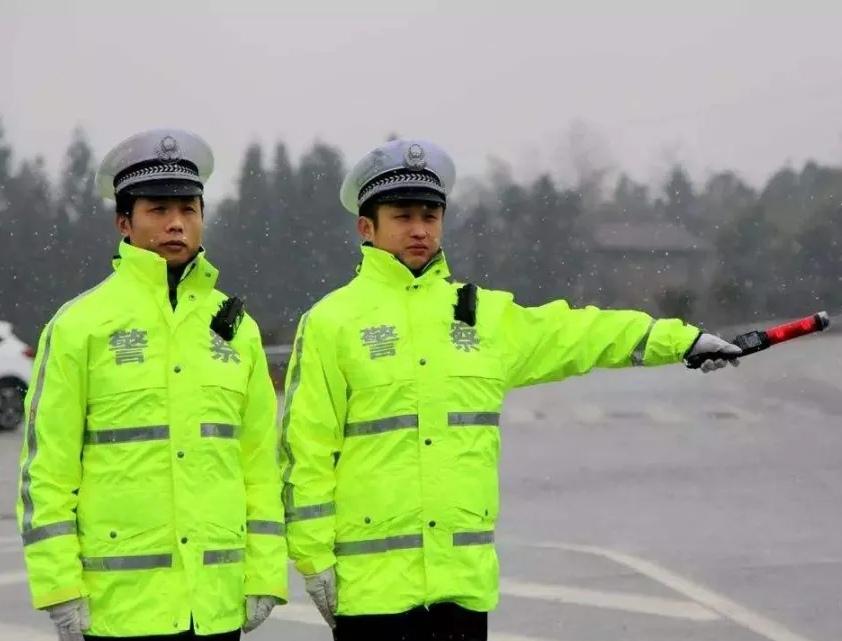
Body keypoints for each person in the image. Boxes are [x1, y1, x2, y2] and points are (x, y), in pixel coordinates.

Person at [280, 138, 741, 641]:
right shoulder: (331, 323)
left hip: (462, 588)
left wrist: (682, 340)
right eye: (403, 215)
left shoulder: (482, 317)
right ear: (366, 228)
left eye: (430, 216)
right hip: (372, 593)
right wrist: (313, 557)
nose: (419, 229)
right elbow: (306, 451)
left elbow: (580, 333)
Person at [17, 129, 286, 641]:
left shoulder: (237, 330)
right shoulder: (79, 326)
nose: (176, 223)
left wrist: (264, 573)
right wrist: (59, 587)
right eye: (158, 209)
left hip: (215, 606)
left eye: (188, 208)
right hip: (119, 611)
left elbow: (258, 466)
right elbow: (46, 471)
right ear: (124, 222)